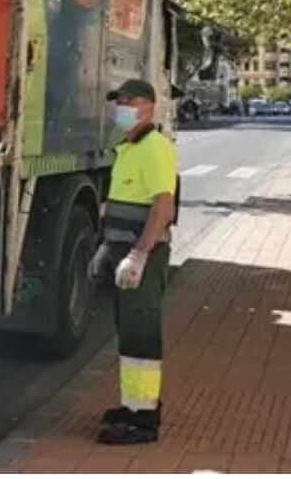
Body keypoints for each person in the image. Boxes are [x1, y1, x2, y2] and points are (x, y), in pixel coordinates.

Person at [89, 79, 178, 445]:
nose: (122, 106)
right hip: (123, 253)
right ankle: (133, 405)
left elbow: (163, 206)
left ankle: (143, 421)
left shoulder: (155, 148)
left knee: (141, 336)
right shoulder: (128, 147)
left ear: (149, 106)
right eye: (119, 101)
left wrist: (140, 254)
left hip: (145, 256)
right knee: (128, 333)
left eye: (130, 100)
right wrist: (106, 251)